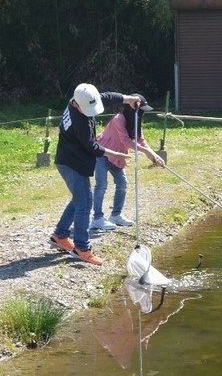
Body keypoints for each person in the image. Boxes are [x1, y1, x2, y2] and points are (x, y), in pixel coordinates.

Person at [50, 83, 143, 265]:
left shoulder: (81, 98)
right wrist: (116, 153)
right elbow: (92, 147)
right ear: (77, 105)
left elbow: (107, 96)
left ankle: (60, 235)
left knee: (79, 199)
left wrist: (128, 98)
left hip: (70, 160)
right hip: (71, 164)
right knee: (85, 202)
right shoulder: (80, 121)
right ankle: (82, 248)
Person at [90, 94, 165, 232]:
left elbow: (141, 141)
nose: (142, 112)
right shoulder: (119, 119)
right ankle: (97, 218)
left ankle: (116, 215)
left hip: (118, 156)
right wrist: (146, 152)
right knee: (101, 186)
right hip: (103, 154)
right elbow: (126, 142)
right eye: (141, 109)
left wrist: (154, 155)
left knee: (122, 184)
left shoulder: (135, 122)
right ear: (132, 108)